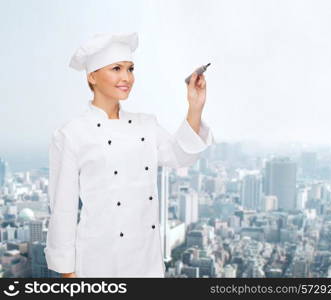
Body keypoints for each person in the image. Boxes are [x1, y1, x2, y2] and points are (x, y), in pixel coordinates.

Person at [44, 32, 215, 278]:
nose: (127, 78)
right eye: (116, 68)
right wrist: (67, 274)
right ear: (92, 76)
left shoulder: (146, 124)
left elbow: (181, 157)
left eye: (130, 69)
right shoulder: (71, 134)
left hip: (146, 262)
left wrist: (195, 106)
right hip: (96, 263)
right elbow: (63, 209)